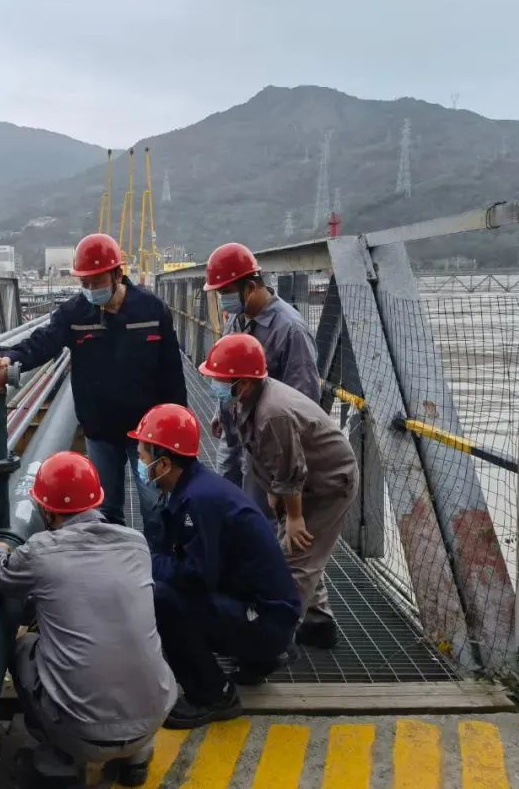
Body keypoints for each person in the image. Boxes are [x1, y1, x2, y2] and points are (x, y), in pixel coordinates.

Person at [0, 451, 177, 788]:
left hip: (84, 733)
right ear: (96, 500)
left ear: (47, 510)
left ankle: (58, 761)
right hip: (154, 716)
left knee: (24, 648)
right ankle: (136, 757)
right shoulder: (136, 544)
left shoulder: (41, 551)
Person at [1, 233, 186, 539]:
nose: (90, 289)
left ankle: (158, 563)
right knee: (105, 510)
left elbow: (172, 372)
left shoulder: (151, 310)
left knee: (155, 505)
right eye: (84, 283)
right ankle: (115, 560)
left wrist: (177, 427)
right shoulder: (75, 313)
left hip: (147, 432)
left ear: (117, 274)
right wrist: (11, 358)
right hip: (100, 430)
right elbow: (44, 342)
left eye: (96, 281)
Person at [128, 404, 300, 729]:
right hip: (268, 611)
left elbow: (195, 576)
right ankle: (261, 657)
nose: (139, 463)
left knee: (163, 599)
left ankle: (213, 694)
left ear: (163, 463)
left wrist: (147, 564)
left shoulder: (197, 502)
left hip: (267, 621)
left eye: (142, 456)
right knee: (170, 587)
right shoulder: (194, 488)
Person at [200, 333, 358, 649]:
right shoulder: (247, 398)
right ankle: (318, 623)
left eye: (221, 380)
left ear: (244, 383)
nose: (215, 385)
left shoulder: (273, 413)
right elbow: (269, 456)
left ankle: (275, 641)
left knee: (294, 561)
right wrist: (275, 491)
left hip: (327, 484)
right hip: (303, 479)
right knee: (300, 550)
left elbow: (290, 469)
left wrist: (295, 516)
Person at [203, 243, 320, 502]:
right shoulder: (238, 318)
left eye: (226, 292)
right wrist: (220, 411)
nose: (223, 300)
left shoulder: (290, 330)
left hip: (265, 443)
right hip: (234, 434)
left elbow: (305, 399)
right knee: (225, 498)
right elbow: (227, 370)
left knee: (257, 508)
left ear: (251, 287)